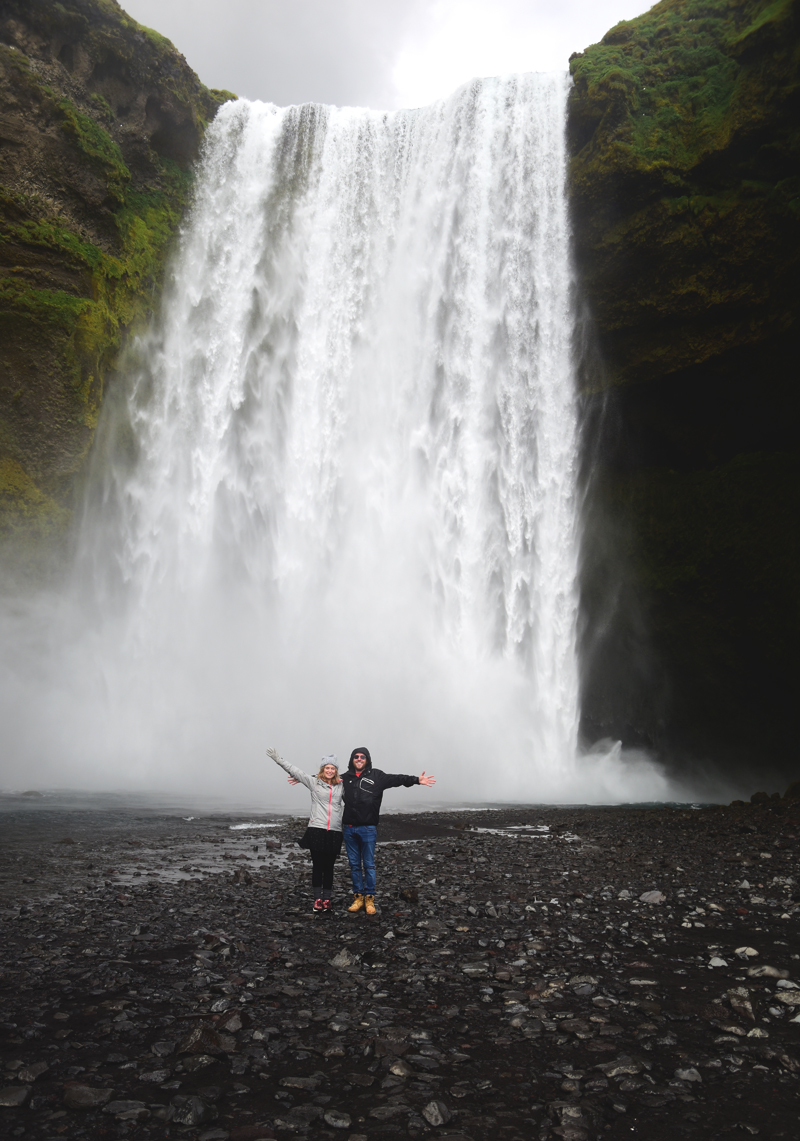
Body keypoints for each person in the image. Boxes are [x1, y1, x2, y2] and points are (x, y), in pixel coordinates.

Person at [342, 746, 436, 915]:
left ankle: (369, 899)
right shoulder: (344, 778)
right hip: (349, 828)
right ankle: (358, 898)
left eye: (362, 757)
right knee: (354, 865)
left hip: (368, 828)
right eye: (356, 756)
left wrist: (416, 780)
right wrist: (301, 778)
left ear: (367, 760)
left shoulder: (377, 776)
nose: (359, 759)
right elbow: (323, 779)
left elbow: (397, 779)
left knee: (369, 865)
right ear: (352, 759)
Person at [266, 746, 343, 912]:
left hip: (335, 831)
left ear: (336, 771)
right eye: (327, 768)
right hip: (316, 829)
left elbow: (355, 784)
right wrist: (278, 760)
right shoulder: (313, 782)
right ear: (323, 769)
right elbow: (295, 770)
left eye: (333, 768)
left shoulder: (341, 786)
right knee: (317, 866)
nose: (330, 770)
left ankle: (327, 900)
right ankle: (317, 900)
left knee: (329, 867)